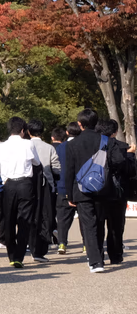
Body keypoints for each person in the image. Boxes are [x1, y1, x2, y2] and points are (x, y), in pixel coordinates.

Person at [66, 109, 126, 272]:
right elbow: (119, 160)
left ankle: (96, 261)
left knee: (89, 225)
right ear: (96, 122)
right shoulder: (107, 141)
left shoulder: (72, 144)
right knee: (100, 222)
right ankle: (100, 257)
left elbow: (69, 171)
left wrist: (69, 195)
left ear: (80, 124)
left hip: (81, 189)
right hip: (103, 188)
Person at [0, 117, 40, 268]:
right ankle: (19, 257)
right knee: (24, 220)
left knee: (8, 219)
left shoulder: (1, 146)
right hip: (25, 183)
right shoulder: (28, 144)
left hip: (8, 184)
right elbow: (37, 162)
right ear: (23, 130)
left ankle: (11, 255)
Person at [97, 119, 134, 265]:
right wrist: (131, 155)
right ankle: (116, 255)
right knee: (116, 226)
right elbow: (130, 170)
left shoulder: (94, 146)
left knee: (98, 225)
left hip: (97, 190)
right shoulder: (122, 147)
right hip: (117, 191)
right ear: (116, 132)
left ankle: (97, 256)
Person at [27, 119, 61, 263]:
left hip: (28, 185)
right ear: (42, 131)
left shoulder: (25, 146)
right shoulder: (49, 148)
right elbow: (57, 169)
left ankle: (28, 244)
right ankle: (40, 250)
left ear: (28, 132)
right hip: (46, 186)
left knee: (30, 215)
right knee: (44, 216)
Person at [56, 122, 81, 253]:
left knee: (62, 217)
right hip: (80, 186)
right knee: (84, 217)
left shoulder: (60, 148)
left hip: (63, 185)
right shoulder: (82, 146)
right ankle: (86, 244)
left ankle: (62, 243)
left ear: (67, 132)